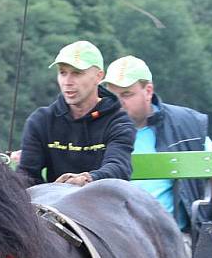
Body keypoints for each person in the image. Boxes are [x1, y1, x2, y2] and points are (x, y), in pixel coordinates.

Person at [103, 56, 212, 250]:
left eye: (127, 94)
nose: (119, 103)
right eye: (113, 96)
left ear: (148, 91)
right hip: (113, 238)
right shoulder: (97, 129)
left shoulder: (185, 125)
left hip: (171, 238)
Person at [18, 40, 135, 187]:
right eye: (62, 73)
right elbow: (27, 174)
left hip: (103, 200)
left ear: (99, 76)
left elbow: (119, 167)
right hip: (53, 205)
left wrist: (87, 179)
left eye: (77, 73)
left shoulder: (119, 121)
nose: (67, 81)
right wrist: (53, 189)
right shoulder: (41, 120)